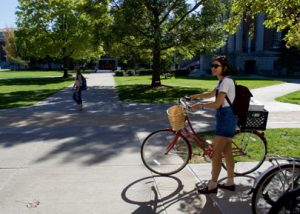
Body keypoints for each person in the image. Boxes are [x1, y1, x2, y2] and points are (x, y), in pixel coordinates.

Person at [190, 56, 237, 194]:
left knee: (216, 153)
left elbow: (217, 104)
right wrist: (196, 96)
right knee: (227, 152)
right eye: (212, 65)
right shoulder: (222, 82)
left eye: (216, 66)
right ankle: (230, 182)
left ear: (224, 68)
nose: (213, 68)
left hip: (226, 119)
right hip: (226, 118)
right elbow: (211, 94)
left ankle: (212, 185)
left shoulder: (226, 82)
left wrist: (200, 106)